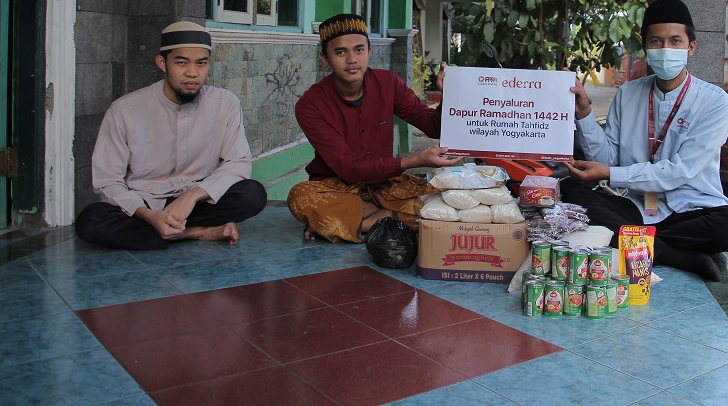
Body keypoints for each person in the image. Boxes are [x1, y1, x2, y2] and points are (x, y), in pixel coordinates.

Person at [563, 0, 728, 281]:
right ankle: (675, 254)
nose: (666, 50)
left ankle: (640, 243)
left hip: (691, 208)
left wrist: (611, 174)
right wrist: (585, 114)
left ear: (692, 47)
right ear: (646, 48)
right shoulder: (629, 93)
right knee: (570, 191)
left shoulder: (716, 102)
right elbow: (605, 160)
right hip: (636, 206)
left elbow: (680, 171)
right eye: (656, 41)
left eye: (675, 41)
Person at [75, 22, 267, 250]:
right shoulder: (125, 110)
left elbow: (238, 162)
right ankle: (193, 233)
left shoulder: (225, 104)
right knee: (90, 221)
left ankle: (162, 233)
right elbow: (108, 180)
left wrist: (191, 196)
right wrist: (148, 215)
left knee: (252, 194)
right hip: (145, 203)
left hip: (198, 203)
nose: (192, 73)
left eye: (201, 63)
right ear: (162, 63)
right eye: (181, 62)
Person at [289, 13, 460, 243]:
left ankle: (352, 223)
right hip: (336, 186)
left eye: (359, 50)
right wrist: (413, 161)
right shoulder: (310, 105)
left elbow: (432, 126)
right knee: (300, 197)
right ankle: (386, 219)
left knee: (444, 196)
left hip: (384, 185)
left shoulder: (388, 83)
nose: (352, 59)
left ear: (369, 52)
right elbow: (347, 168)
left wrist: (447, 94)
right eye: (340, 52)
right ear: (324, 59)